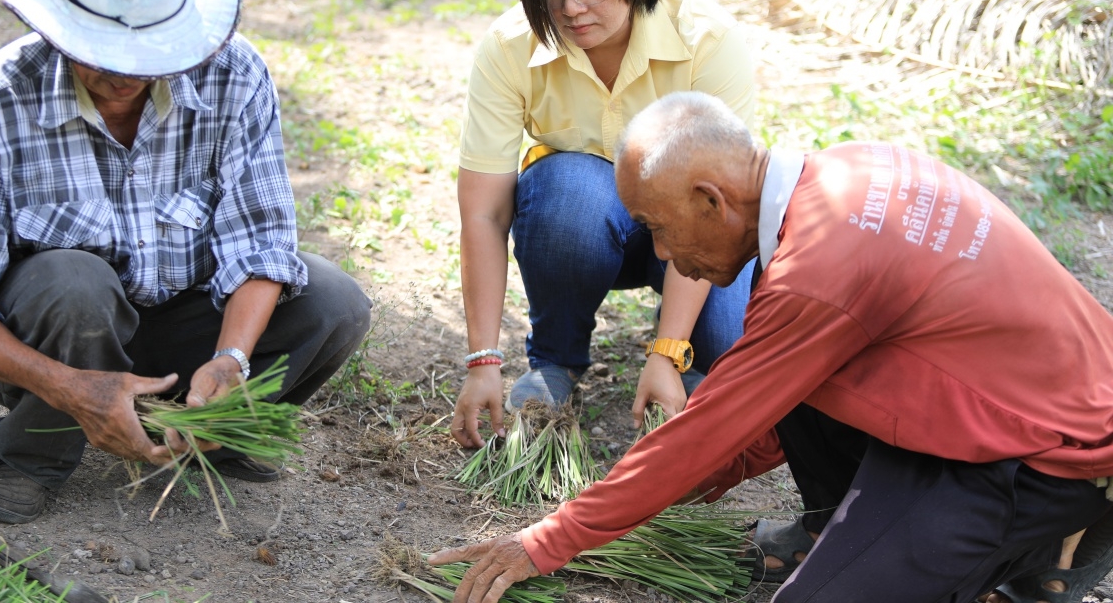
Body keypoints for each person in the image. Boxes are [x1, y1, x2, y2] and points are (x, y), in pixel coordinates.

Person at [430, 91, 1113, 603]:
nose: (663, 255)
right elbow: (775, 396)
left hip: (1044, 458)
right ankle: (850, 530)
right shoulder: (843, 175)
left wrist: (549, 540)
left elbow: (708, 427)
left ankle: (1035, 548)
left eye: (659, 229)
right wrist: (719, 467)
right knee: (777, 362)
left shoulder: (821, 268)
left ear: (712, 200)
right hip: (1005, 406)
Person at [0, 0, 372, 525]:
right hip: (58, 340)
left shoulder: (234, 76)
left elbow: (260, 240)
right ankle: (32, 454)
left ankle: (206, 426)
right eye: (99, 54)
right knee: (72, 282)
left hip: (183, 321)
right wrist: (71, 386)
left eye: (145, 55)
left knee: (334, 302)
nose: (122, 76)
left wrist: (231, 358)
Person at [450, 0, 757, 450]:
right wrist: (482, 360)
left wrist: (668, 351)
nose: (570, 9)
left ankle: (684, 363)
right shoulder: (509, 47)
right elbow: (484, 213)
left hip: (698, 235)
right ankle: (556, 362)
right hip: (586, 229)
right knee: (567, 188)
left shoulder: (707, 41)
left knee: (726, 349)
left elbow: (724, 206)